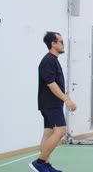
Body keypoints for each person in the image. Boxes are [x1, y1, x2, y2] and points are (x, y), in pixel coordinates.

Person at [29, 32, 76, 172]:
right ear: (53, 44)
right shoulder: (48, 60)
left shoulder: (53, 60)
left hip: (51, 103)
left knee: (49, 133)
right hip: (50, 104)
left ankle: (46, 165)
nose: (63, 44)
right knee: (61, 131)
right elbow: (50, 83)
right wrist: (67, 99)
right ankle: (40, 163)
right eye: (60, 41)